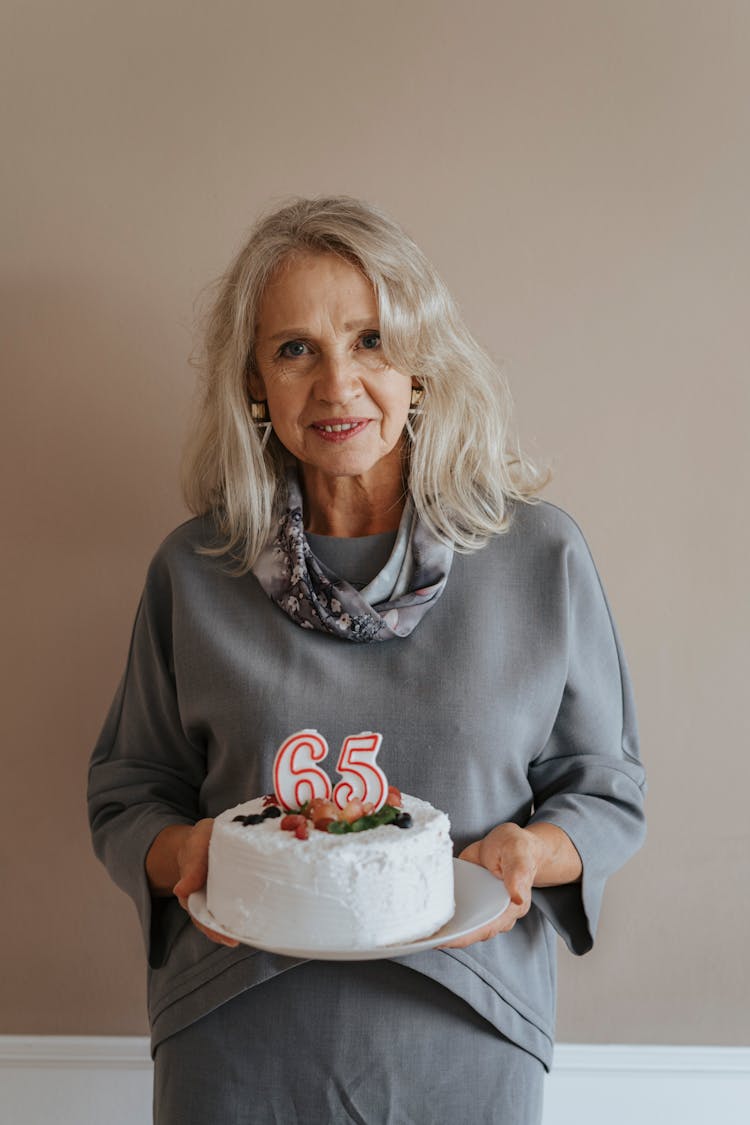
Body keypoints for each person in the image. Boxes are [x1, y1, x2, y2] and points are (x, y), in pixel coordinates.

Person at [88, 195, 646, 1125]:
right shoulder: (192, 572)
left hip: (466, 1018)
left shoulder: (540, 559)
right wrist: (185, 851)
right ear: (255, 385)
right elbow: (129, 787)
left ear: (420, 364)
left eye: (372, 340)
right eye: (295, 348)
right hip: (234, 1028)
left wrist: (530, 852)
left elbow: (608, 786)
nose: (337, 383)